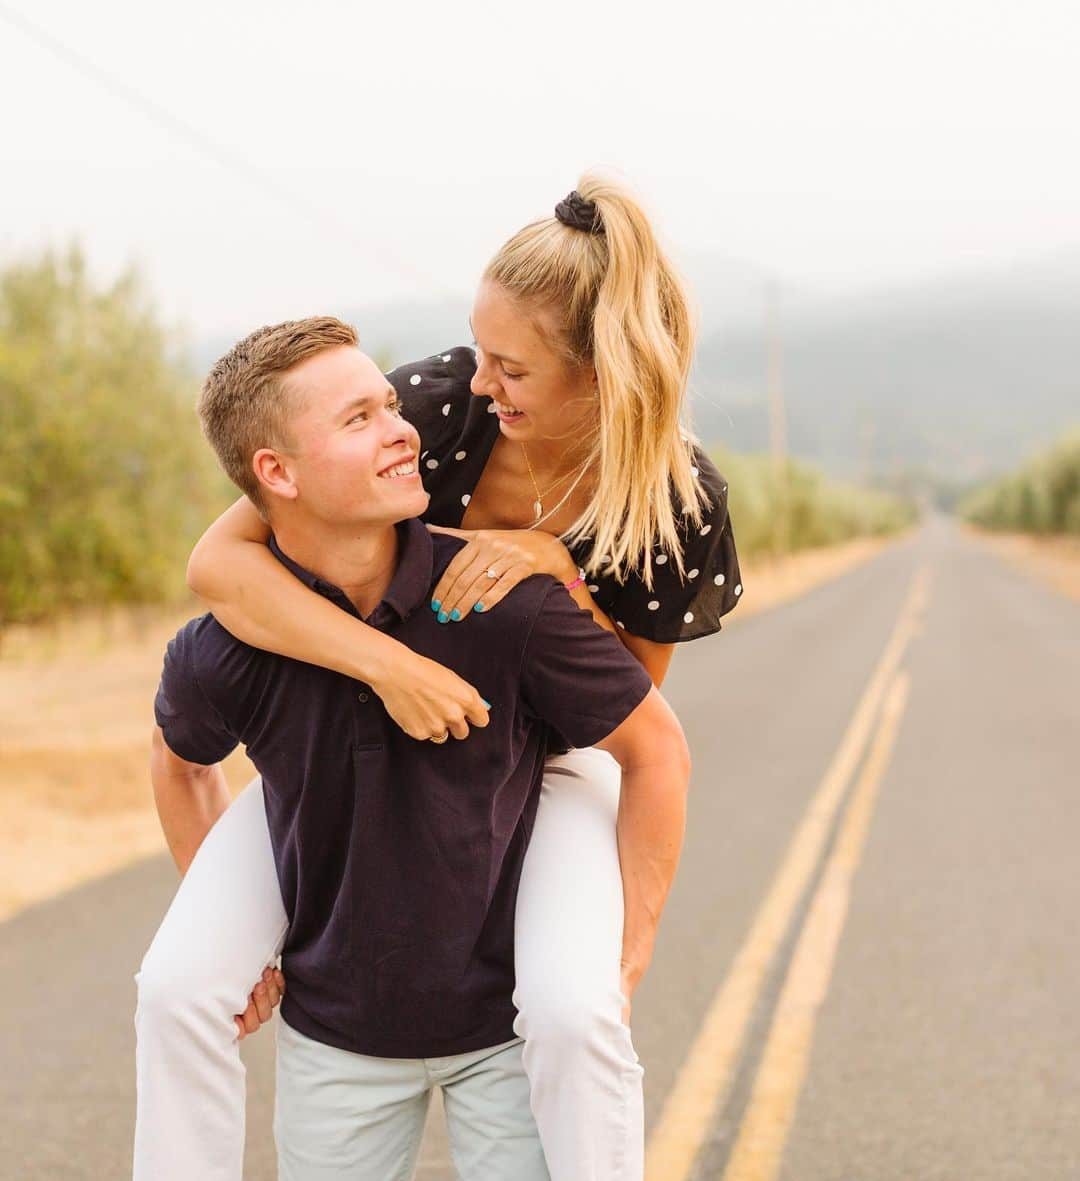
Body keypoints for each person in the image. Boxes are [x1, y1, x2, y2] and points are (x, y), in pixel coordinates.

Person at [140, 174, 743, 1180]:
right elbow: (222, 564)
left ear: (599, 377)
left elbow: (625, 715)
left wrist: (554, 568)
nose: (479, 381)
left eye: (513, 366)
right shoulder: (438, 407)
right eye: (480, 347)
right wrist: (389, 665)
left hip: (549, 748)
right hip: (363, 700)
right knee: (174, 986)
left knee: (572, 1007)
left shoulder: (675, 504)